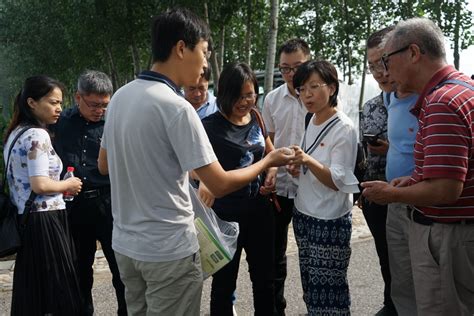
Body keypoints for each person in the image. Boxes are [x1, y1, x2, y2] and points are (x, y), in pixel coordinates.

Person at [97, 8, 293, 315]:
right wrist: (267, 160)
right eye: (203, 52)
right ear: (180, 48)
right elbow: (219, 183)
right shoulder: (176, 107)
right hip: (167, 249)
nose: (204, 63)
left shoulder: (121, 97)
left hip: (126, 245)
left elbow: (104, 165)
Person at [362, 17, 474, 316]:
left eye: (387, 59)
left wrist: (393, 195)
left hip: (448, 232)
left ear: (413, 53)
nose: (385, 70)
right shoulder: (461, 89)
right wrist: (412, 181)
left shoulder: (442, 101)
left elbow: (446, 188)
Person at [200, 62, 277, 315]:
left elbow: (269, 153)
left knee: (265, 279)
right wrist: (206, 181)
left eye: (250, 94)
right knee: (224, 283)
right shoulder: (209, 127)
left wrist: (272, 172)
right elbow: (191, 165)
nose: (245, 101)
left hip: (260, 212)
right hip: (225, 216)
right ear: (224, 94)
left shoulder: (256, 117)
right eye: (238, 96)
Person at [4, 76, 83, 315]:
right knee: (58, 291)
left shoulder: (16, 133)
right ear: (32, 103)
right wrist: (67, 184)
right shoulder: (37, 135)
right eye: (52, 102)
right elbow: (39, 185)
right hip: (45, 220)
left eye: (60, 102)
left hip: (28, 221)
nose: (58, 108)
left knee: (35, 292)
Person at [50, 70, 127, 315]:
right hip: (74, 206)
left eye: (105, 105)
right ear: (78, 97)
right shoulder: (61, 122)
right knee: (79, 269)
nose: (100, 110)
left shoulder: (116, 121)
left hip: (108, 204)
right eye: (94, 104)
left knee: (121, 269)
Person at [288, 60, 359, 315]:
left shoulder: (344, 128)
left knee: (330, 291)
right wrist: (300, 166)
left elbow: (339, 181)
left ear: (331, 88)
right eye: (302, 89)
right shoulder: (311, 118)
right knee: (310, 286)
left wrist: (307, 160)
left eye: (314, 86)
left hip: (329, 219)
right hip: (304, 213)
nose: (307, 94)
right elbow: (315, 166)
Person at [262, 38, 310, 316]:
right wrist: (270, 167)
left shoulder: (318, 96)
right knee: (275, 254)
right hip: (279, 188)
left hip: (309, 187)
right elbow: (268, 139)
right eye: (285, 69)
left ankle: (314, 305)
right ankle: (275, 308)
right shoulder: (272, 98)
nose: (291, 74)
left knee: (310, 252)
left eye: (297, 67)